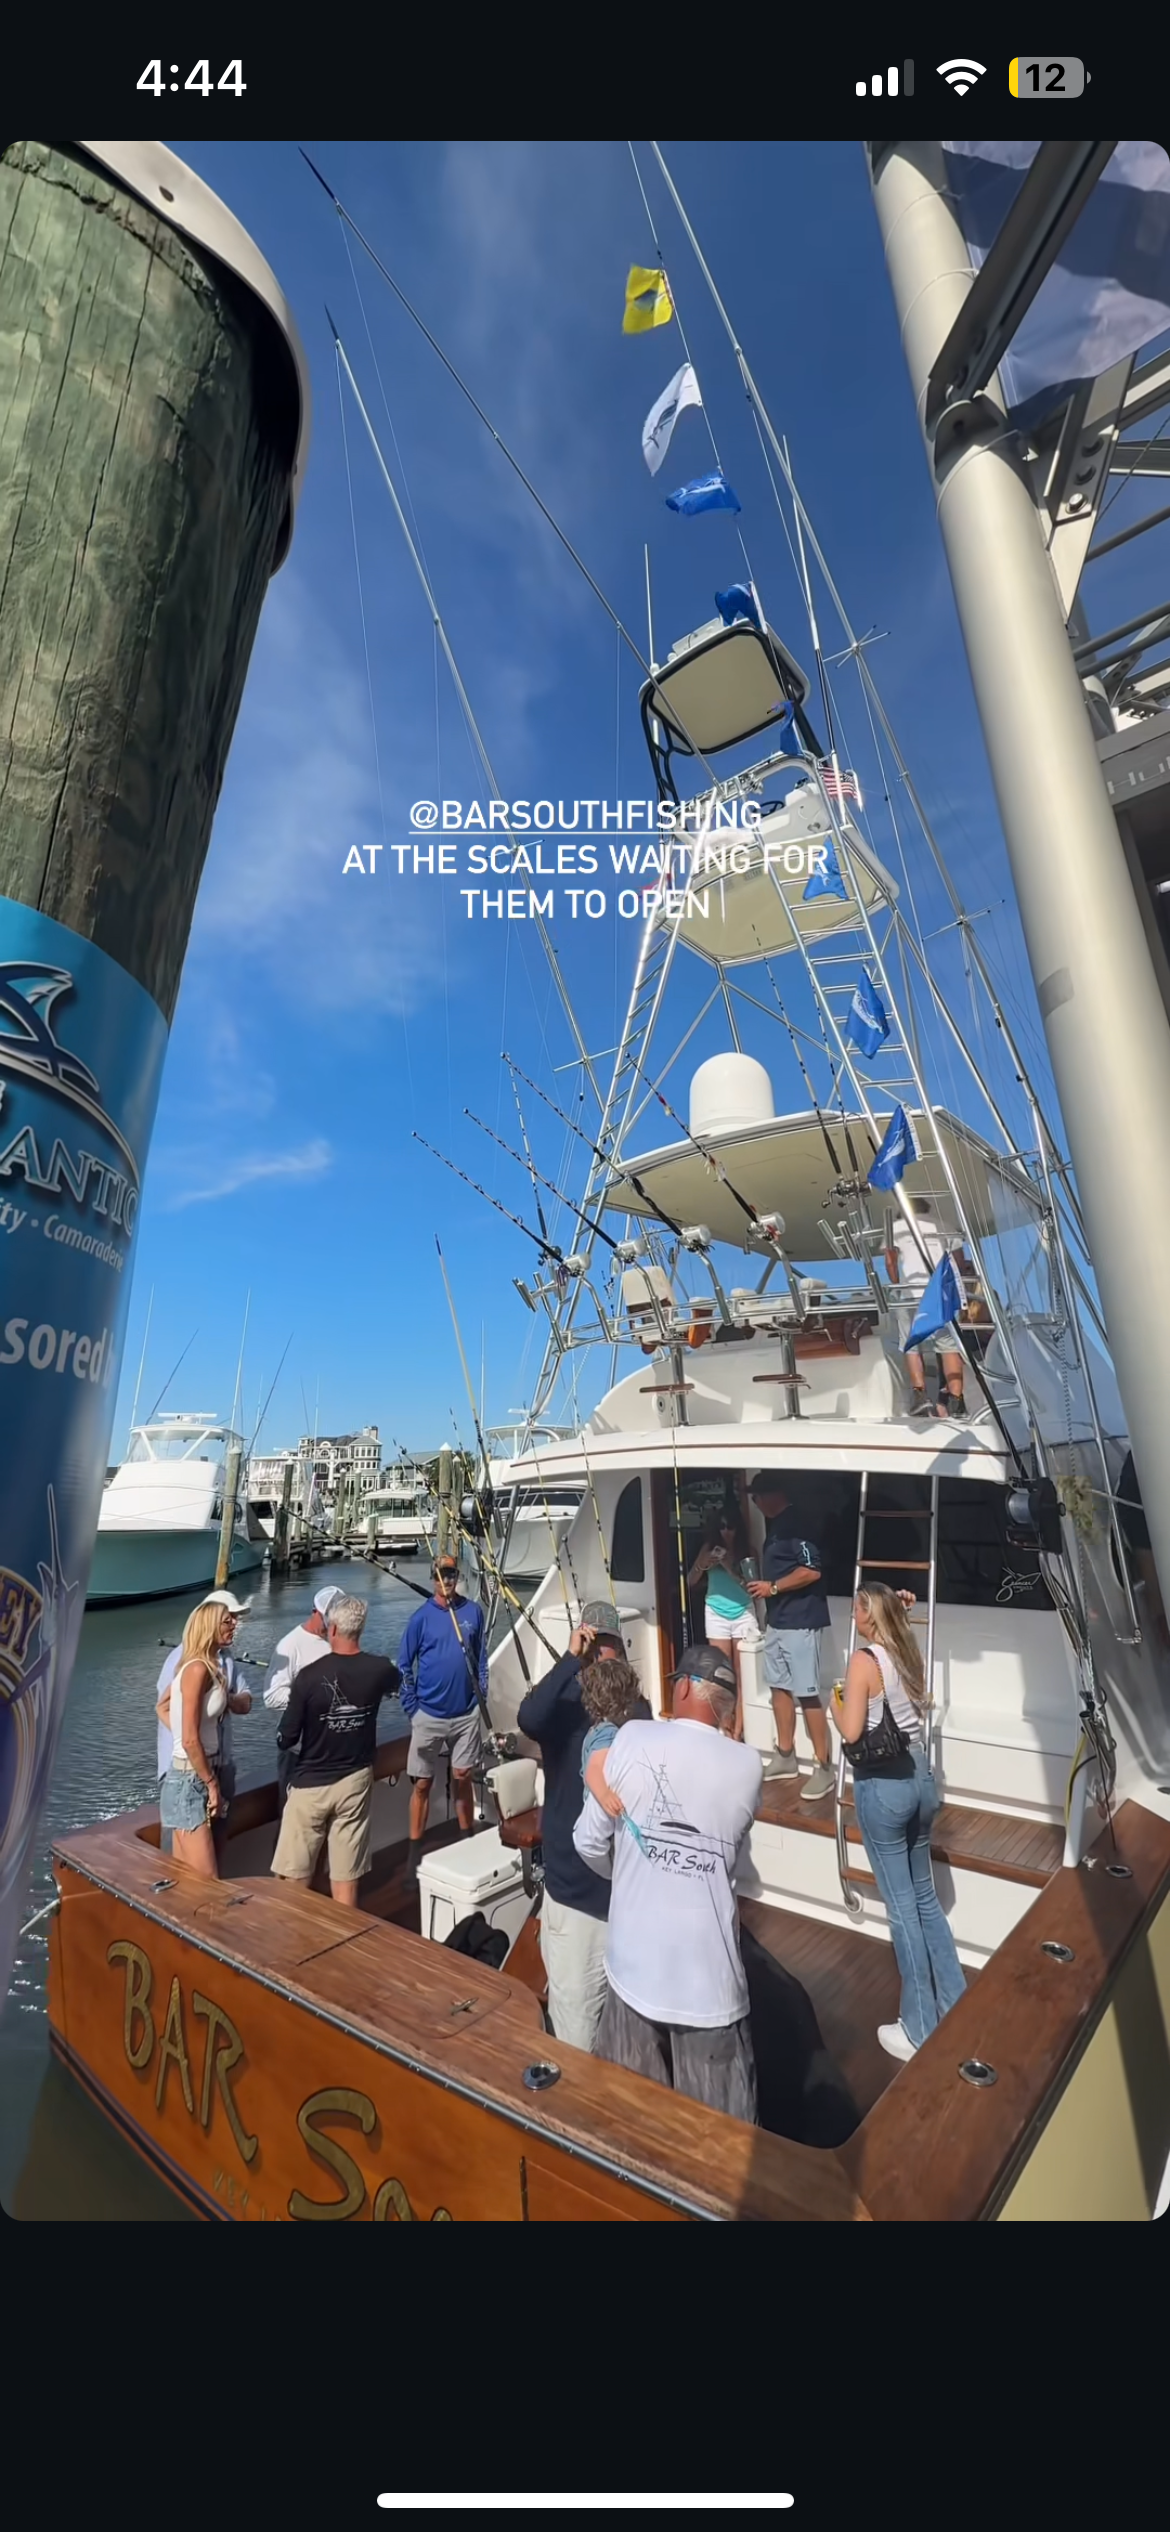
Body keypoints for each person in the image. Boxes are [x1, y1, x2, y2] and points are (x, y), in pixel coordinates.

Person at [573, 1643, 763, 2121]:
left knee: (631, 2129)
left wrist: (636, 1872)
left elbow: (589, 1842)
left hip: (633, 1973)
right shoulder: (749, 1766)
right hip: (711, 1991)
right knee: (721, 2151)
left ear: (681, 1687)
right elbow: (731, 1862)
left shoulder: (633, 1737)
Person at [827, 1580, 966, 2061]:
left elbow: (849, 1731)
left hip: (883, 1787)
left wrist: (835, 1699)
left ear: (869, 1614)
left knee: (902, 1908)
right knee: (925, 1898)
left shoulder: (864, 1661)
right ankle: (956, 2004)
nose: (852, 1616)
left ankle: (919, 2027)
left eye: (857, 1609)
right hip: (921, 1776)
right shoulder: (906, 1650)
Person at [516, 1601, 646, 2053]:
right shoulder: (566, 1709)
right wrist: (572, 1658)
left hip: (613, 1894)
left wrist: (576, 1661)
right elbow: (528, 1718)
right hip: (575, 1892)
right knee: (576, 2014)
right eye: (596, 1647)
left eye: (609, 1648)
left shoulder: (637, 1711)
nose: (603, 1656)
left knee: (589, 2020)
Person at [271, 1594, 399, 1907]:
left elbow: (286, 1738)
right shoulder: (380, 1669)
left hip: (310, 1785)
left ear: (332, 1630)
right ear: (360, 1629)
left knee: (293, 1881)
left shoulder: (308, 1678)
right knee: (346, 1877)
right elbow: (397, 1682)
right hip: (355, 1781)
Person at [396, 1555, 488, 1886]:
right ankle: (413, 1854)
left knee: (463, 1776)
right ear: (432, 1578)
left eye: (450, 1574)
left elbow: (482, 1661)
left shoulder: (473, 1612)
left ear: (457, 1576)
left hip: (466, 1715)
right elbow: (403, 1666)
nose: (445, 1580)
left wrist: (481, 1698)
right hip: (428, 1717)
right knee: (422, 1784)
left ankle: (468, 1841)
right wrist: (413, 1708)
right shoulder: (421, 1618)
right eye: (439, 1575)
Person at [745, 1473, 835, 1799]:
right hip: (777, 1622)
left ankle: (823, 1767)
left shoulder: (798, 1523)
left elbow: (812, 1570)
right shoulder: (775, 1527)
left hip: (801, 1622)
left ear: (773, 1495)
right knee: (779, 1689)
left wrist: (773, 1586)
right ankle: (785, 1756)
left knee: (807, 1693)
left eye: (757, 1497)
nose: (755, 1503)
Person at [155, 1591, 251, 1861]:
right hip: (191, 1780)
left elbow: (163, 1707)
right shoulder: (195, 1667)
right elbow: (187, 1737)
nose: (234, 1625)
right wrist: (207, 1777)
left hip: (198, 1772)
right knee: (205, 1885)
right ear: (210, 1624)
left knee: (190, 1881)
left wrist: (192, 1736)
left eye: (235, 1620)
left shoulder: (215, 1662)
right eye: (227, 1620)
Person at [884, 1195, 967, 1420]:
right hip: (940, 1292)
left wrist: (896, 1284)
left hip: (910, 1292)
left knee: (912, 1344)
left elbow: (890, 1261)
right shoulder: (943, 1225)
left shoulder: (896, 1228)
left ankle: (921, 1396)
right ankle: (957, 1401)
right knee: (949, 1346)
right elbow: (959, 1262)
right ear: (927, 1209)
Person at [263, 1586, 346, 1808]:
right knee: (292, 1817)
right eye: (328, 1620)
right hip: (297, 1752)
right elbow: (271, 1696)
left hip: (330, 1749)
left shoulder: (336, 1641)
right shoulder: (291, 1645)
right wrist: (312, 1696)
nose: (332, 1627)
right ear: (315, 1612)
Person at [686, 1504, 757, 1741]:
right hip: (716, 1612)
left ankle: (740, 1730)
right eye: (722, 1526)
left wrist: (728, 1566)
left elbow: (752, 1587)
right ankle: (726, 1727)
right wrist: (702, 1564)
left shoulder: (748, 1551)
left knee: (744, 1673)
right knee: (721, 1673)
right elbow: (690, 1581)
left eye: (731, 1527)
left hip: (743, 1612)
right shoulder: (708, 1548)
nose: (727, 1532)